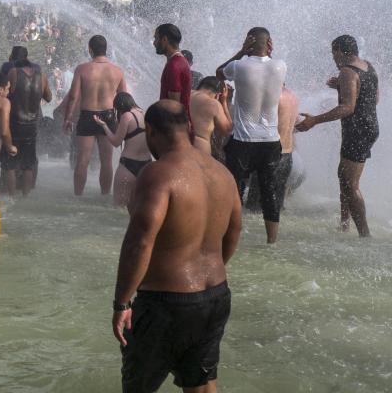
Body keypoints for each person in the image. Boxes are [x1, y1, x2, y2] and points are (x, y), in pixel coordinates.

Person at [112, 100, 242, 393]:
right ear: (188, 128)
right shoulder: (222, 173)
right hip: (215, 297)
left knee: (138, 386)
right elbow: (234, 232)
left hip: (165, 303)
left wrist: (122, 303)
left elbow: (140, 241)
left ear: (153, 133)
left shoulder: (158, 173)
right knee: (201, 384)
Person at [295, 35, 377, 237]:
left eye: (334, 52)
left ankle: (364, 235)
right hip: (367, 128)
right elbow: (374, 99)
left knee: (350, 184)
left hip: (358, 131)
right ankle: (344, 224)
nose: (333, 57)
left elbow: (347, 108)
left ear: (341, 51)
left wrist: (314, 120)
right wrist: (342, 86)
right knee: (344, 177)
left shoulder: (347, 72)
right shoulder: (369, 66)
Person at [216, 27, 287, 244]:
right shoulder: (281, 66)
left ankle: (231, 238)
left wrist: (240, 51)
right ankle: (272, 241)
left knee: (234, 189)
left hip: (243, 141)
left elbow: (219, 72)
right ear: (269, 44)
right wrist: (266, 52)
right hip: (270, 141)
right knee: (269, 192)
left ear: (248, 42)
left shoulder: (239, 66)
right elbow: (269, 68)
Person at [64, 35, 127, 196]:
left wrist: (68, 117)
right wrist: (123, 122)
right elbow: (124, 98)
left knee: (82, 160)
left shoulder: (82, 69)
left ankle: (78, 195)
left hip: (87, 115)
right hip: (108, 116)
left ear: (90, 50)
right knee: (106, 161)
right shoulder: (117, 71)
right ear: (106, 50)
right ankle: (105, 195)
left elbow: (73, 96)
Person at [94, 92, 152, 209]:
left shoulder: (127, 116)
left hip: (128, 165)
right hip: (146, 165)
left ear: (120, 106)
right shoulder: (146, 114)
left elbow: (116, 142)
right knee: (142, 207)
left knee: (118, 207)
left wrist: (104, 125)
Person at [5, 53, 52, 196]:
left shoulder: (13, 73)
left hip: (14, 124)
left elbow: (5, 93)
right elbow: (49, 98)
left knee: (10, 163)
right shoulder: (42, 76)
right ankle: (26, 196)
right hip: (32, 125)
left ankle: (11, 196)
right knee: (28, 164)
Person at [154, 24, 192, 120]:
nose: (154, 43)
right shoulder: (180, 62)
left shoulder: (174, 66)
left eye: (156, 38)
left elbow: (174, 106)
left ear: (164, 39)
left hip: (174, 129)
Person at [189, 76, 232, 156]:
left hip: (178, 145)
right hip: (199, 152)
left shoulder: (187, 93)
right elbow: (227, 129)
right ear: (218, 95)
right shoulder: (214, 104)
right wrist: (223, 103)